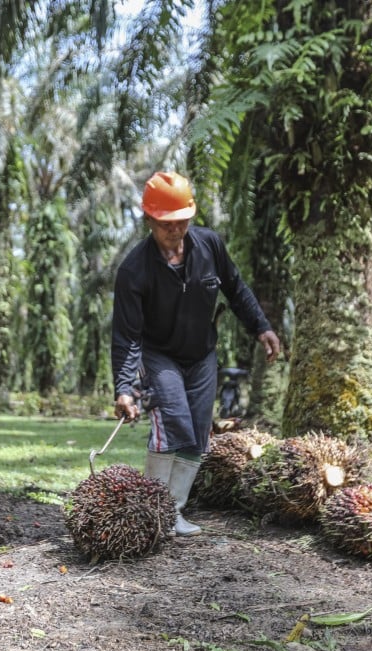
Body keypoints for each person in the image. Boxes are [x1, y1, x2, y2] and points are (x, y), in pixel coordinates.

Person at [111, 171, 282, 536]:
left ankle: (173, 513)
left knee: (198, 432)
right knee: (174, 421)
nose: (176, 230)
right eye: (167, 224)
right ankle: (151, 512)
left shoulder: (210, 246)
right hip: (158, 355)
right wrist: (124, 388)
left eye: (182, 221)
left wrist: (261, 327)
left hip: (202, 352)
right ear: (150, 220)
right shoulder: (134, 270)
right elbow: (127, 336)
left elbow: (236, 289)